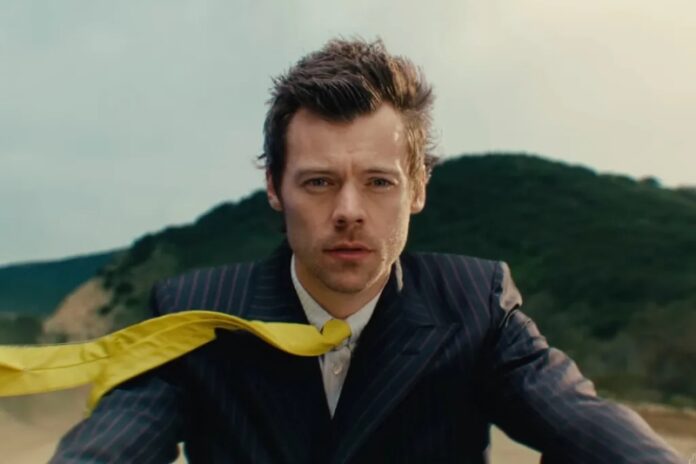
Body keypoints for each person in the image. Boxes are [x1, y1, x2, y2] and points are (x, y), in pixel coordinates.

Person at [50, 38, 683, 463]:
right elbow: (111, 445)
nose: (349, 210)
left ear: (418, 189)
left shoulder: (475, 304)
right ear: (274, 187)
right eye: (318, 182)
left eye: (379, 182)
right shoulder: (195, 314)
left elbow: (583, 421)